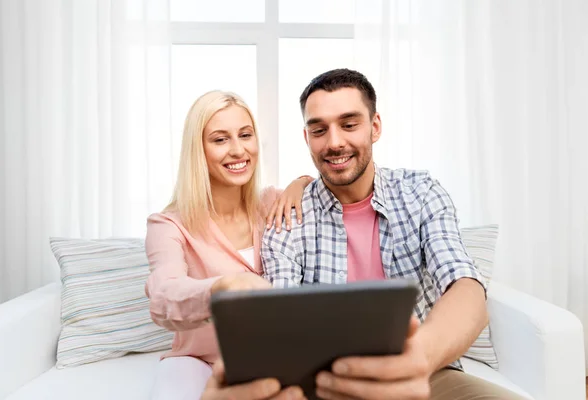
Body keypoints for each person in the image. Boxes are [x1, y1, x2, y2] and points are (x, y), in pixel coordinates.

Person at [201, 69, 526, 399]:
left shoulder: (421, 193)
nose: (334, 142)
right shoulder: (288, 218)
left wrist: (418, 360)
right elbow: (278, 322)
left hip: (425, 376)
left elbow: (465, 287)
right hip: (324, 385)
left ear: (375, 127)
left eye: (349, 124)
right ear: (306, 138)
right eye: (319, 129)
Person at [145, 90, 312, 400]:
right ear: (198, 150)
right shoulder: (167, 225)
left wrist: (300, 182)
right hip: (200, 361)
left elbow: (321, 192)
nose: (238, 150)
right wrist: (222, 288)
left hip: (273, 360)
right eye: (220, 140)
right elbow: (163, 296)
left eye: (245, 135)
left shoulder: (272, 204)